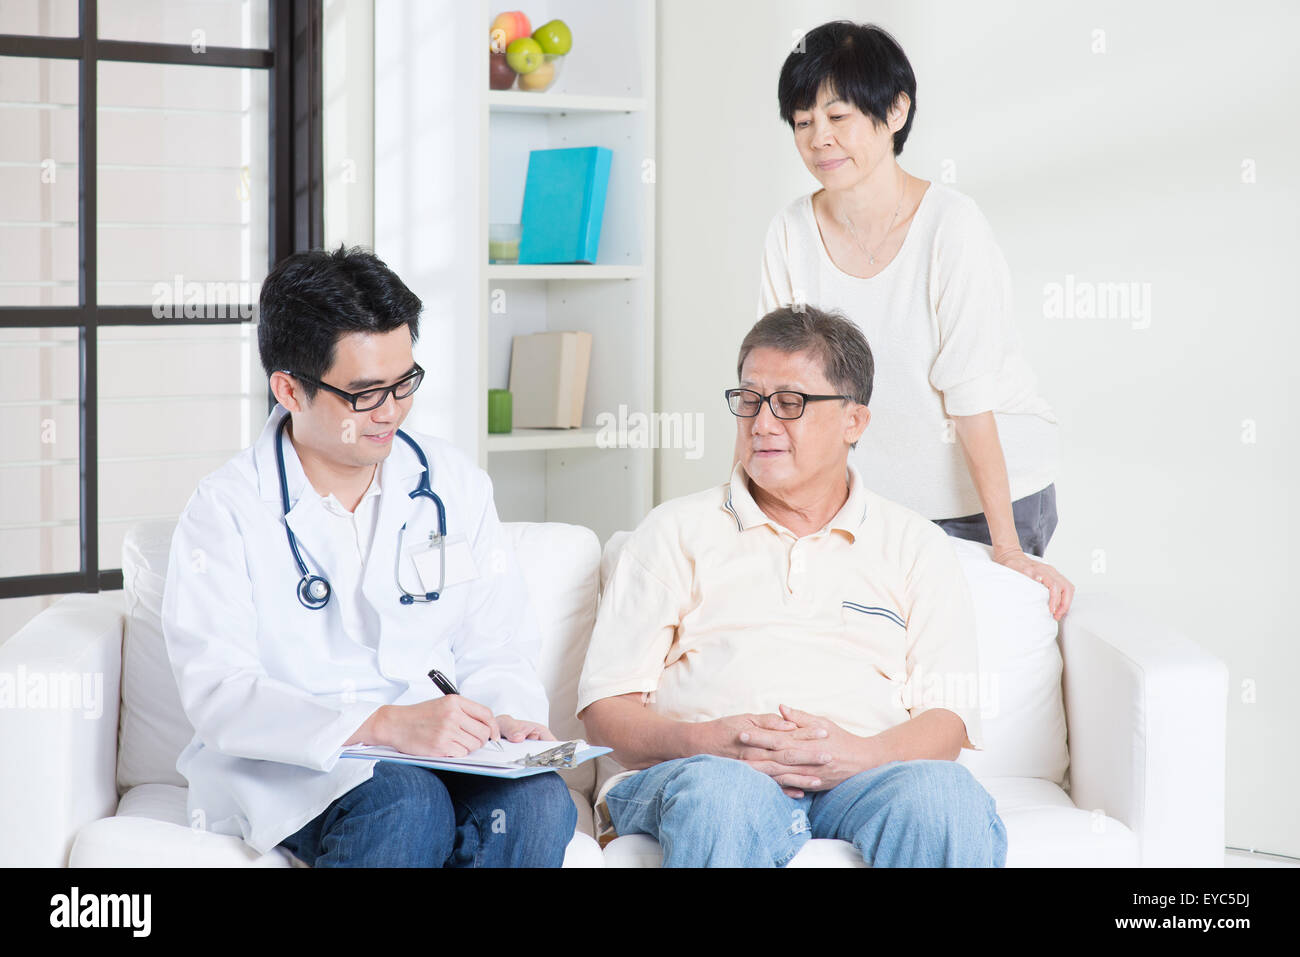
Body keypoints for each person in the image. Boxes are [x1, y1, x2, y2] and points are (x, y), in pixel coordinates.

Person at [161, 246, 576, 867]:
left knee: (539, 801)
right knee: (407, 803)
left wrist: (507, 719)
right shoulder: (225, 510)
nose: (392, 412)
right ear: (290, 389)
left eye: (404, 382)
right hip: (300, 765)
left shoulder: (451, 483)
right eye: (365, 393)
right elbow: (222, 692)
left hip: (443, 753)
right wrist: (380, 724)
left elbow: (496, 641)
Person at [577, 305, 1006, 868]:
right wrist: (710, 742)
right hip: (705, 776)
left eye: (790, 402)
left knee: (946, 798)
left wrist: (856, 755)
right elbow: (604, 708)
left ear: (854, 422)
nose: (762, 423)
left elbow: (947, 720)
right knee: (726, 798)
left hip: (861, 781)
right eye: (750, 400)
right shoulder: (674, 531)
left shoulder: (915, 544)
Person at [760, 20, 1073, 620]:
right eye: (803, 123)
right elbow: (771, 387)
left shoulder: (951, 226)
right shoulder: (790, 231)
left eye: (839, 116)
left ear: (896, 111)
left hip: (985, 500)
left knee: (971, 680)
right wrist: (744, 515)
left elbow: (969, 395)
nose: (819, 138)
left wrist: (1006, 547)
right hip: (873, 501)